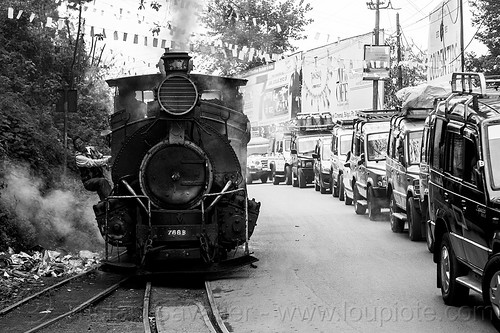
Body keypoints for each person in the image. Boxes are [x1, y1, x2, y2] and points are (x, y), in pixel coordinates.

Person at [73, 136, 112, 201]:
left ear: (83, 142)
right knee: (102, 181)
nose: (79, 145)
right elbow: (93, 163)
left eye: (80, 142)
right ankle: (113, 200)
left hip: (99, 179)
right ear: (75, 147)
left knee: (104, 196)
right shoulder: (79, 157)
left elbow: (101, 157)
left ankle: (107, 206)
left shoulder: (92, 149)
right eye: (77, 144)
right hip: (88, 182)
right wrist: (107, 160)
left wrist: (107, 163)